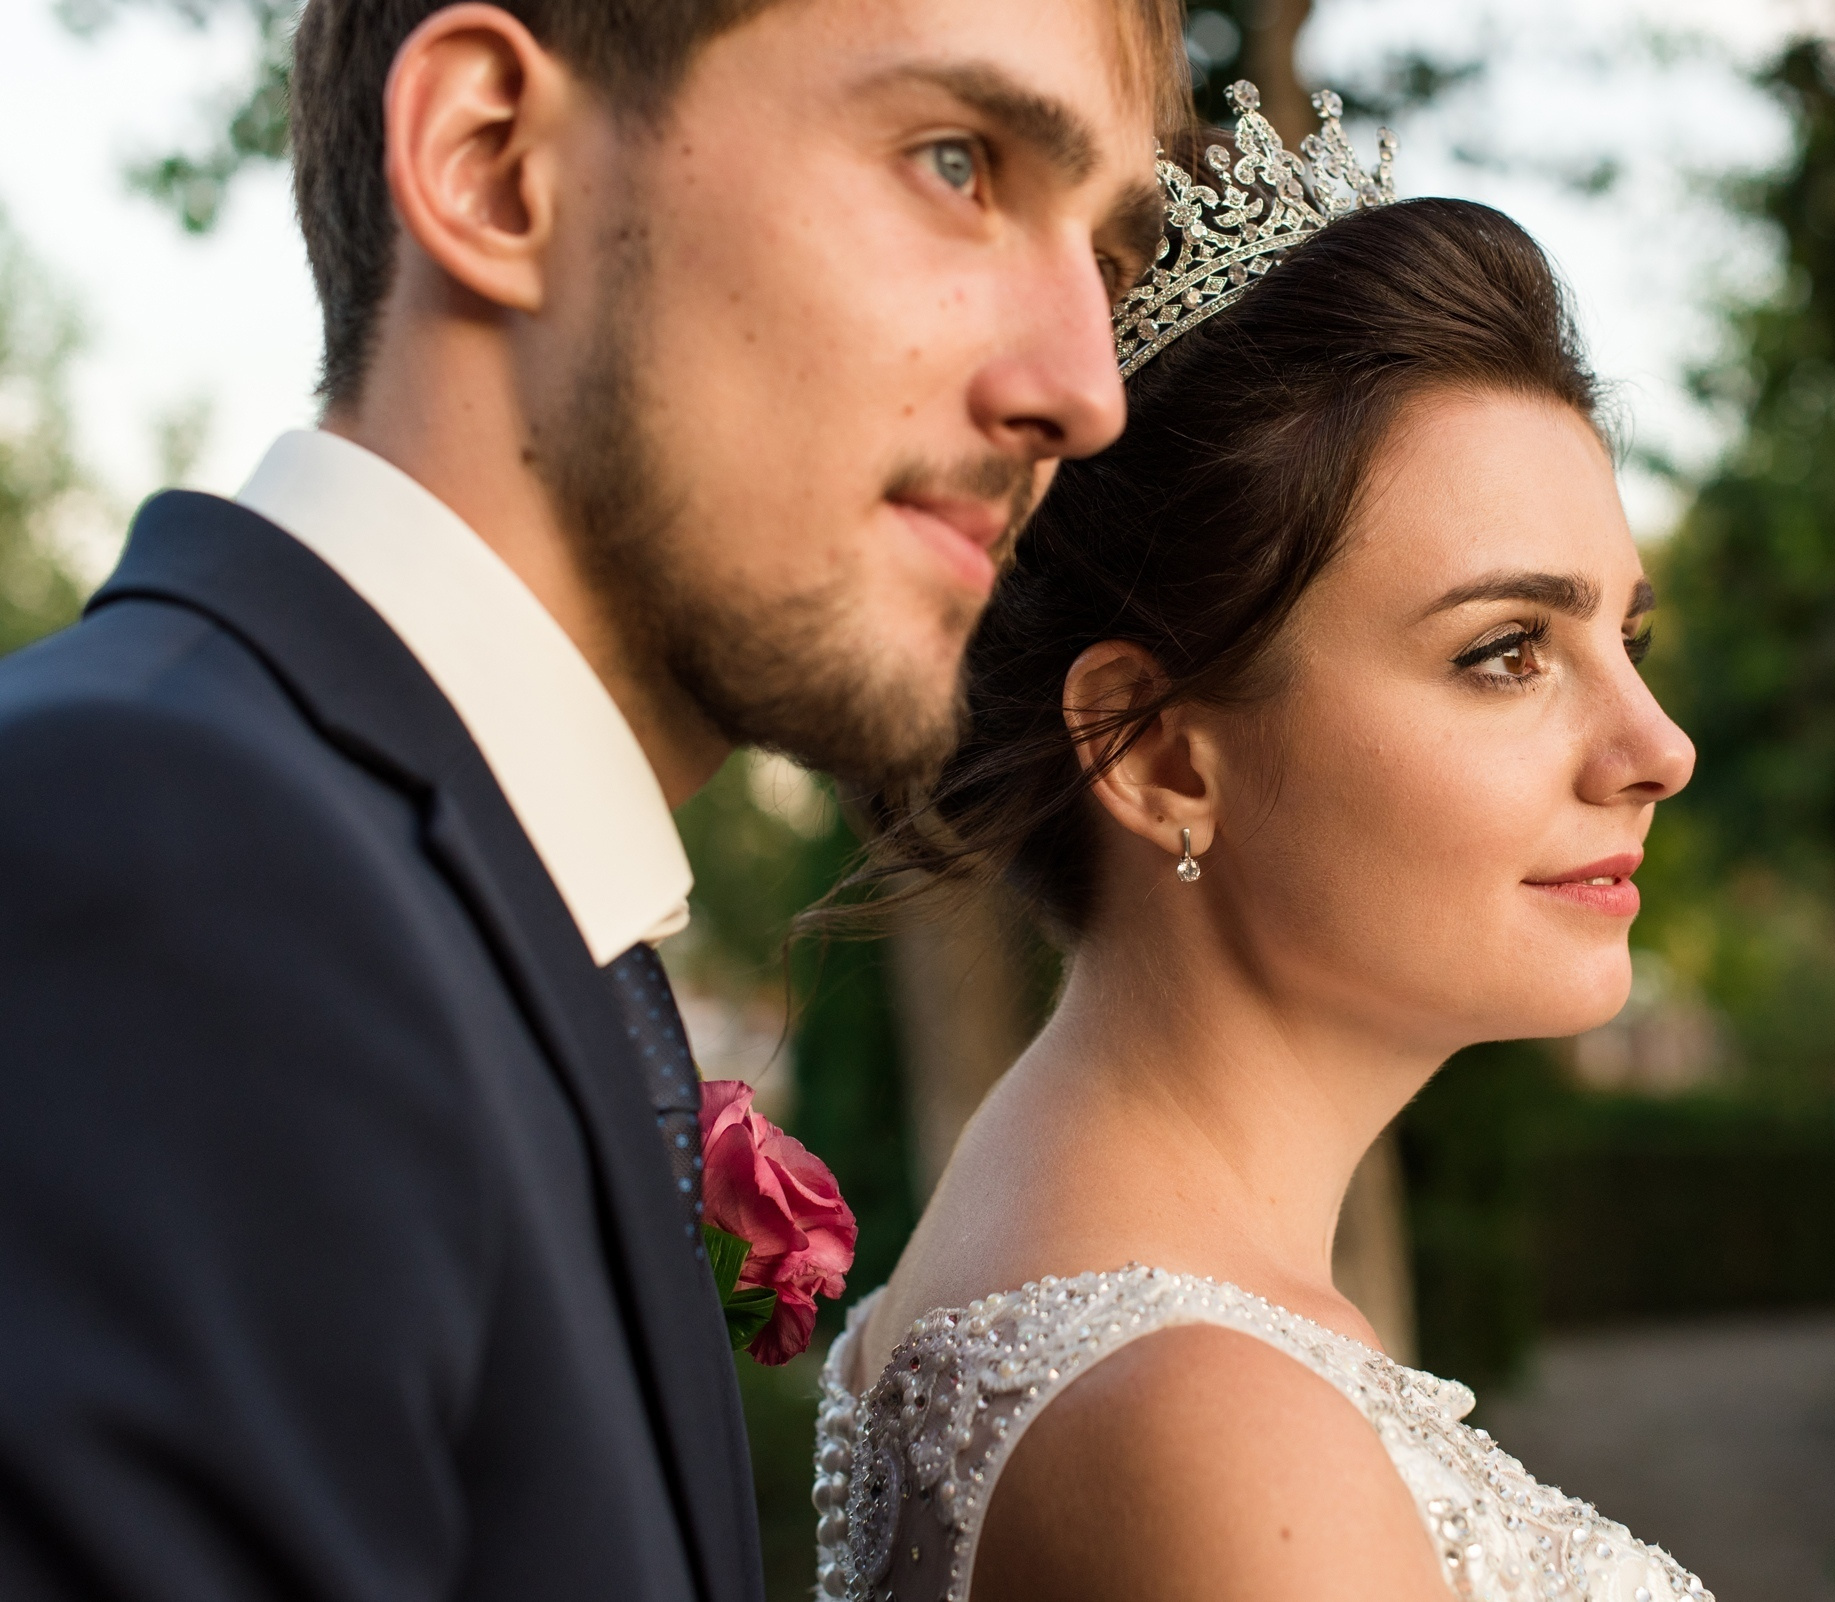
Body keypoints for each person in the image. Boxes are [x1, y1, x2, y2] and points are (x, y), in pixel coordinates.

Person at [0, 2, 1179, 1598]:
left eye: (1106, 258)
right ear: (493, 167)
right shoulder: (169, 860)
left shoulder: (496, 925)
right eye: (957, 164)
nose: (1085, 391)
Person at [813, 89, 1703, 1602]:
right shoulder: (1218, 1441)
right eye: (1506, 650)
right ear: (1157, 752)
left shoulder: (1039, 1282)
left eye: (1624, 634)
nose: (1659, 749)